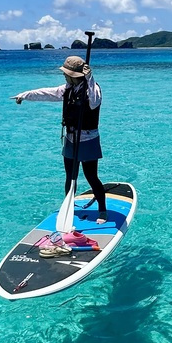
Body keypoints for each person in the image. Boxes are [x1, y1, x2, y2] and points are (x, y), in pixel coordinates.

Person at [14, 54, 109, 225]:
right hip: (71, 138)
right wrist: (24, 95)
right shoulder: (67, 89)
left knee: (91, 176)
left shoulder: (92, 89)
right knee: (70, 176)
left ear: (75, 76)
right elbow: (45, 93)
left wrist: (90, 77)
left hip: (88, 139)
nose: (64, 76)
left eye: (67, 74)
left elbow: (95, 102)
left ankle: (102, 209)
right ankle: (68, 206)